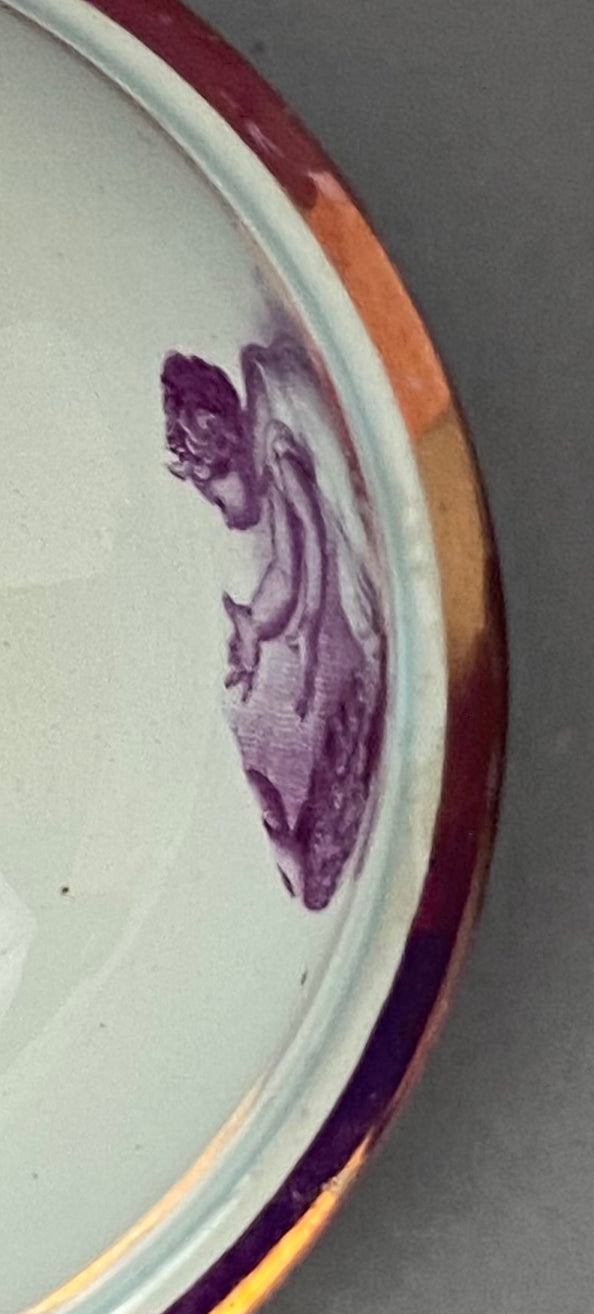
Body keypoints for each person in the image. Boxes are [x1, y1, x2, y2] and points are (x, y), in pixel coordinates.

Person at [161, 337, 386, 910]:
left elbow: (311, 553)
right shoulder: (259, 475)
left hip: (318, 633)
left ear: (225, 447)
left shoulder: (276, 459)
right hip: (284, 640)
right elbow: (282, 578)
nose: (223, 512)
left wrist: (304, 630)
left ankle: (302, 840)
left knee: (275, 728)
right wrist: (252, 631)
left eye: (216, 497)